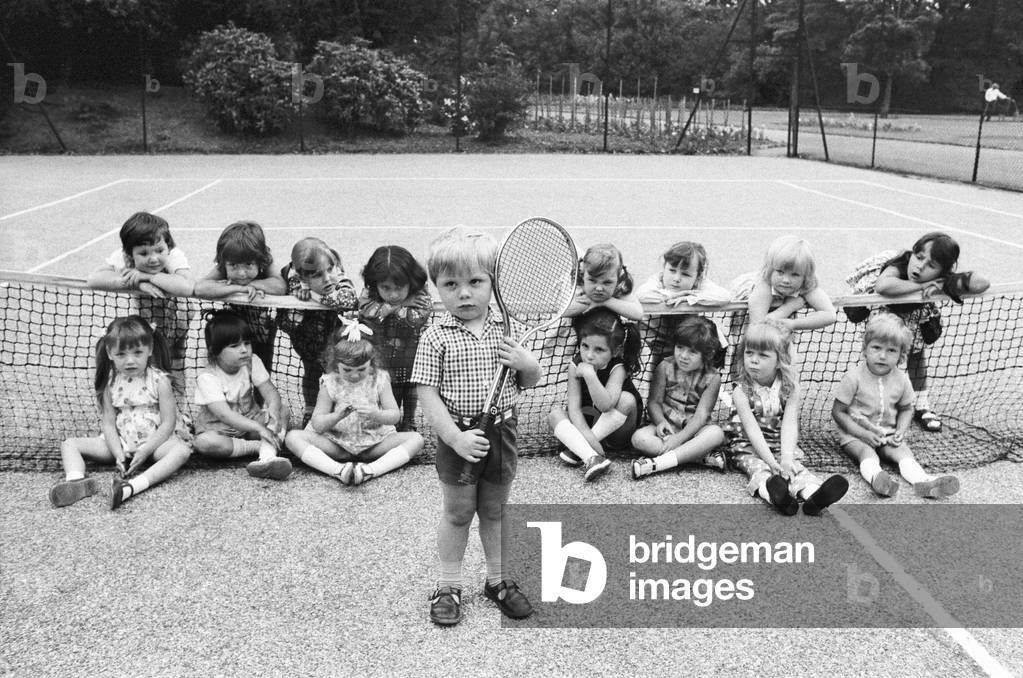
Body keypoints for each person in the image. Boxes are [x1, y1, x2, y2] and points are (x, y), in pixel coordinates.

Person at [411, 226, 541, 626]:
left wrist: (526, 364)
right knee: (458, 513)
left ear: (492, 284)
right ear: (437, 288)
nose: (464, 293)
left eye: (475, 282)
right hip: (459, 438)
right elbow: (426, 393)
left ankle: (498, 581)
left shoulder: (507, 330)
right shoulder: (435, 337)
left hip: (501, 433)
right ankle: (448, 585)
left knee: (495, 510)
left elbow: (530, 379)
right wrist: (454, 437)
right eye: (451, 284)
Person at [49, 316, 191, 509]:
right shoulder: (110, 383)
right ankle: (76, 482)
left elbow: (168, 423)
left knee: (182, 451)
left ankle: (133, 486)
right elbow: (108, 423)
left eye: (137, 352)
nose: (130, 360)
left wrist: (146, 450)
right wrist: (118, 453)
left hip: (156, 444)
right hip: (121, 443)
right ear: (109, 353)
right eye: (121, 354)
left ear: (149, 349)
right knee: (69, 444)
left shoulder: (160, 381)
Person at [862, 232, 989, 432]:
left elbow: (982, 283)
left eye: (931, 265)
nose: (920, 266)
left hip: (915, 313)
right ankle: (874, 403)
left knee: (916, 354)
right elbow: (883, 285)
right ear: (912, 253)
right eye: (919, 257)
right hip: (886, 312)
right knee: (880, 355)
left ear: (943, 270)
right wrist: (923, 286)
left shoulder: (942, 278)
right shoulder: (900, 264)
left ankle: (921, 405)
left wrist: (947, 280)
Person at [726, 320, 848, 516]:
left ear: (780, 359)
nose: (753, 360)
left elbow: (790, 425)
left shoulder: (789, 387)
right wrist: (771, 462)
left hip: (779, 443)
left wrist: (785, 458)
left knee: (795, 469)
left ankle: (813, 497)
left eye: (763, 355)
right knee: (761, 471)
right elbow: (752, 431)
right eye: (749, 353)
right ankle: (775, 496)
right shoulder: (741, 391)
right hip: (748, 446)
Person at [832, 313, 959, 499]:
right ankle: (877, 479)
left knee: (903, 452)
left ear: (901, 355)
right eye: (876, 348)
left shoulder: (902, 379)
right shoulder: (853, 377)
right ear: (865, 349)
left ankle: (924, 482)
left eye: (891, 350)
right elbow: (838, 412)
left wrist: (900, 430)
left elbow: (907, 408)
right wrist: (863, 434)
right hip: (855, 434)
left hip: (888, 433)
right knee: (866, 453)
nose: (882, 356)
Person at [285, 318, 423, 485]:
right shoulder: (330, 382)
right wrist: (337, 416)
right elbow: (318, 424)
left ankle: (370, 471)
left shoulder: (380, 379)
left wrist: (376, 414)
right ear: (337, 365)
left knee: (416, 439)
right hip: (337, 444)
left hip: (374, 442)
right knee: (292, 438)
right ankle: (337, 470)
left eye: (361, 369)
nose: (355, 375)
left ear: (371, 363)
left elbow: (394, 416)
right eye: (348, 370)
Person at [87, 212, 195, 396]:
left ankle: (177, 414)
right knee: (149, 365)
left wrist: (149, 276)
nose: (153, 259)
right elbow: (94, 279)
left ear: (167, 246)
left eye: (159, 251)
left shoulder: (173, 254)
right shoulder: (123, 257)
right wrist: (136, 283)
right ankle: (146, 408)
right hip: (147, 322)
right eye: (143, 253)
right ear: (129, 254)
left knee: (175, 365)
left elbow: (185, 286)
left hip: (178, 320)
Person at [191, 310, 292, 480]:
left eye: (247, 343)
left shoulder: (252, 361)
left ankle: (267, 457)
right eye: (234, 346)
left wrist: (273, 409)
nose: (244, 350)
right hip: (221, 429)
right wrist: (260, 429)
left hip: (250, 421)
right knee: (204, 443)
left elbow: (270, 392)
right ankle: (262, 448)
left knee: (284, 410)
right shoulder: (208, 377)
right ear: (215, 351)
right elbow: (226, 415)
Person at [548, 308, 643, 481]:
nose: (589, 355)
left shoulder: (618, 367)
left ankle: (578, 448)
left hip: (616, 432)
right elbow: (574, 409)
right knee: (555, 414)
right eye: (585, 346)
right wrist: (590, 439)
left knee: (627, 399)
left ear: (615, 351)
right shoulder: (575, 364)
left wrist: (591, 376)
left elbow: (606, 406)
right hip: (589, 427)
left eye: (599, 350)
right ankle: (590, 457)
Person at [631, 316, 727, 478]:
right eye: (680, 347)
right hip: (667, 427)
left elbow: (702, 415)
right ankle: (698, 456)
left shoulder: (713, 378)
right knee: (639, 438)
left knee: (716, 433)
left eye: (692, 351)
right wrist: (660, 421)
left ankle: (657, 464)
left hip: (694, 430)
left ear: (708, 354)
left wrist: (680, 438)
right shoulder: (664, 366)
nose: (683, 355)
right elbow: (654, 402)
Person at [276, 237, 359, 421]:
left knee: (337, 378)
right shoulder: (293, 283)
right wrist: (297, 303)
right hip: (308, 343)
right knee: (312, 375)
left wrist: (312, 295)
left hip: (336, 343)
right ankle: (310, 410)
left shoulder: (341, 280)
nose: (327, 278)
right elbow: (285, 324)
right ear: (301, 276)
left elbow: (347, 300)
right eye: (317, 275)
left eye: (330, 269)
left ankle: (339, 412)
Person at [193, 221, 287, 372]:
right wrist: (240, 288)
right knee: (231, 372)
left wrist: (254, 284)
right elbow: (200, 288)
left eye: (249, 265)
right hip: (232, 331)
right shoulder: (226, 262)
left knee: (261, 372)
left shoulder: (265, 261)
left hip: (261, 332)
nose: (242, 273)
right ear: (225, 263)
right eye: (234, 266)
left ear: (259, 259)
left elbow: (280, 286)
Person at [358, 245, 433, 431]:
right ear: (375, 283)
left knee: (409, 390)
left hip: (410, 355)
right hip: (381, 356)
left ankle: (409, 422)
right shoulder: (369, 292)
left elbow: (416, 319)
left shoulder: (421, 293)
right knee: (386, 390)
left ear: (410, 281)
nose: (392, 294)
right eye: (386, 288)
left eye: (399, 288)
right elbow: (369, 313)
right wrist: (400, 304)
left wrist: (388, 307)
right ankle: (390, 423)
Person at [635, 241, 730, 307]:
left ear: (698, 277)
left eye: (685, 274)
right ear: (664, 267)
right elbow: (640, 295)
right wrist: (673, 295)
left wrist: (690, 298)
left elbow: (725, 296)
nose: (676, 278)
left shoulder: (699, 283)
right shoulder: (658, 279)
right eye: (672, 270)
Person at [564, 243, 643, 321]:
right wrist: (589, 303)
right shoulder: (578, 287)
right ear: (583, 275)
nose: (599, 288)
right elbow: (562, 312)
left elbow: (638, 314)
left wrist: (605, 302)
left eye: (607, 282)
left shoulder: (618, 289)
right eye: (592, 280)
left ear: (618, 278)